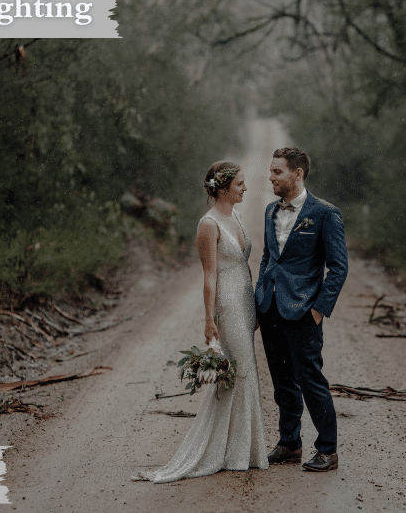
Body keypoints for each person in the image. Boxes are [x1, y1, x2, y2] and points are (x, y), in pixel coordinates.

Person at [133, 161, 269, 483]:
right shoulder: (208, 224)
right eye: (239, 184)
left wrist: (255, 307)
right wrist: (210, 319)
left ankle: (243, 451)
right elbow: (209, 275)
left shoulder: (234, 215)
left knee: (246, 372)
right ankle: (226, 454)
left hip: (245, 301)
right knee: (238, 373)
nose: (245, 189)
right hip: (228, 303)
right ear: (222, 188)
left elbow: (244, 263)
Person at [255, 147, 349, 472]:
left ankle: (327, 450)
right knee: (282, 382)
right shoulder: (270, 211)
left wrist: (319, 310)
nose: (271, 177)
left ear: (298, 173)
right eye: (271, 171)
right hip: (271, 310)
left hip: (304, 312)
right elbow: (268, 257)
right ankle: (289, 443)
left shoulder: (325, 213)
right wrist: (259, 299)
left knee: (311, 379)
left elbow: (338, 268)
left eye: (277, 172)